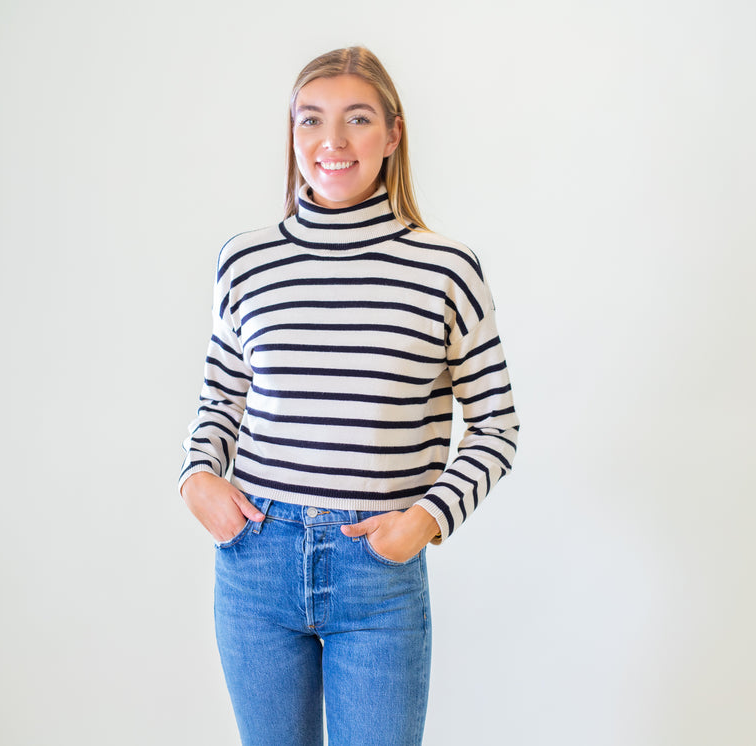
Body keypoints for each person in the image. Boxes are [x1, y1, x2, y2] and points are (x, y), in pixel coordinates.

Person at [179, 46, 519, 746]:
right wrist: (197, 477)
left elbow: (496, 426)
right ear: (292, 134)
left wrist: (425, 520)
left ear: (393, 135)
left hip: (376, 571)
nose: (331, 141)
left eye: (357, 119)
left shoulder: (446, 270)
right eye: (311, 120)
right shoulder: (245, 261)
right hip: (256, 561)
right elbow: (220, 400)